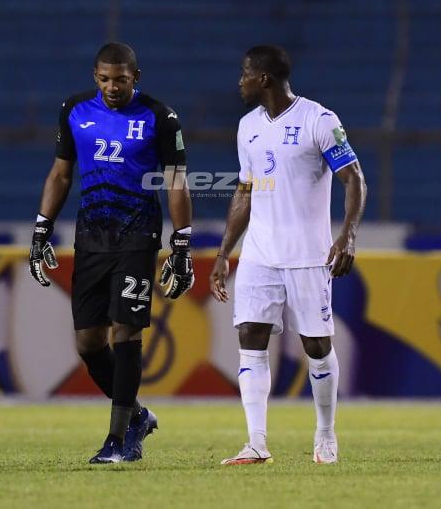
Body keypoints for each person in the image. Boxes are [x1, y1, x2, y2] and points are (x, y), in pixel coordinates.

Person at [29, 42, 194, 464]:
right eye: (104, 79)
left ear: (135, 77)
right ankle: (137, 416)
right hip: (91, 237)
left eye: (120, 79)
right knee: (88, 342)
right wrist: (42, 229)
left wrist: (181, 244)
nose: (112, 87)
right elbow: (60, 174)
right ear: (95, 77)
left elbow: (176, 182)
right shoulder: (74, 109)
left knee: (126, 332)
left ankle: (118, 441)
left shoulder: (160, 117)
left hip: (137, 236)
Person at [210, 45, 367, 465]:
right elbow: (245, 190)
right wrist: (225, 251)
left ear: (263, 78)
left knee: (316, 344)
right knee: (250, 336)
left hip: (308, 255)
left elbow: (354, 178)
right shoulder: (247, 126)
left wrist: (348, 236)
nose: (239, 82)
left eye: (245, 74)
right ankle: (256, 442)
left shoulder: (319, 120)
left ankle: (326, 433)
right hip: (259, 254)